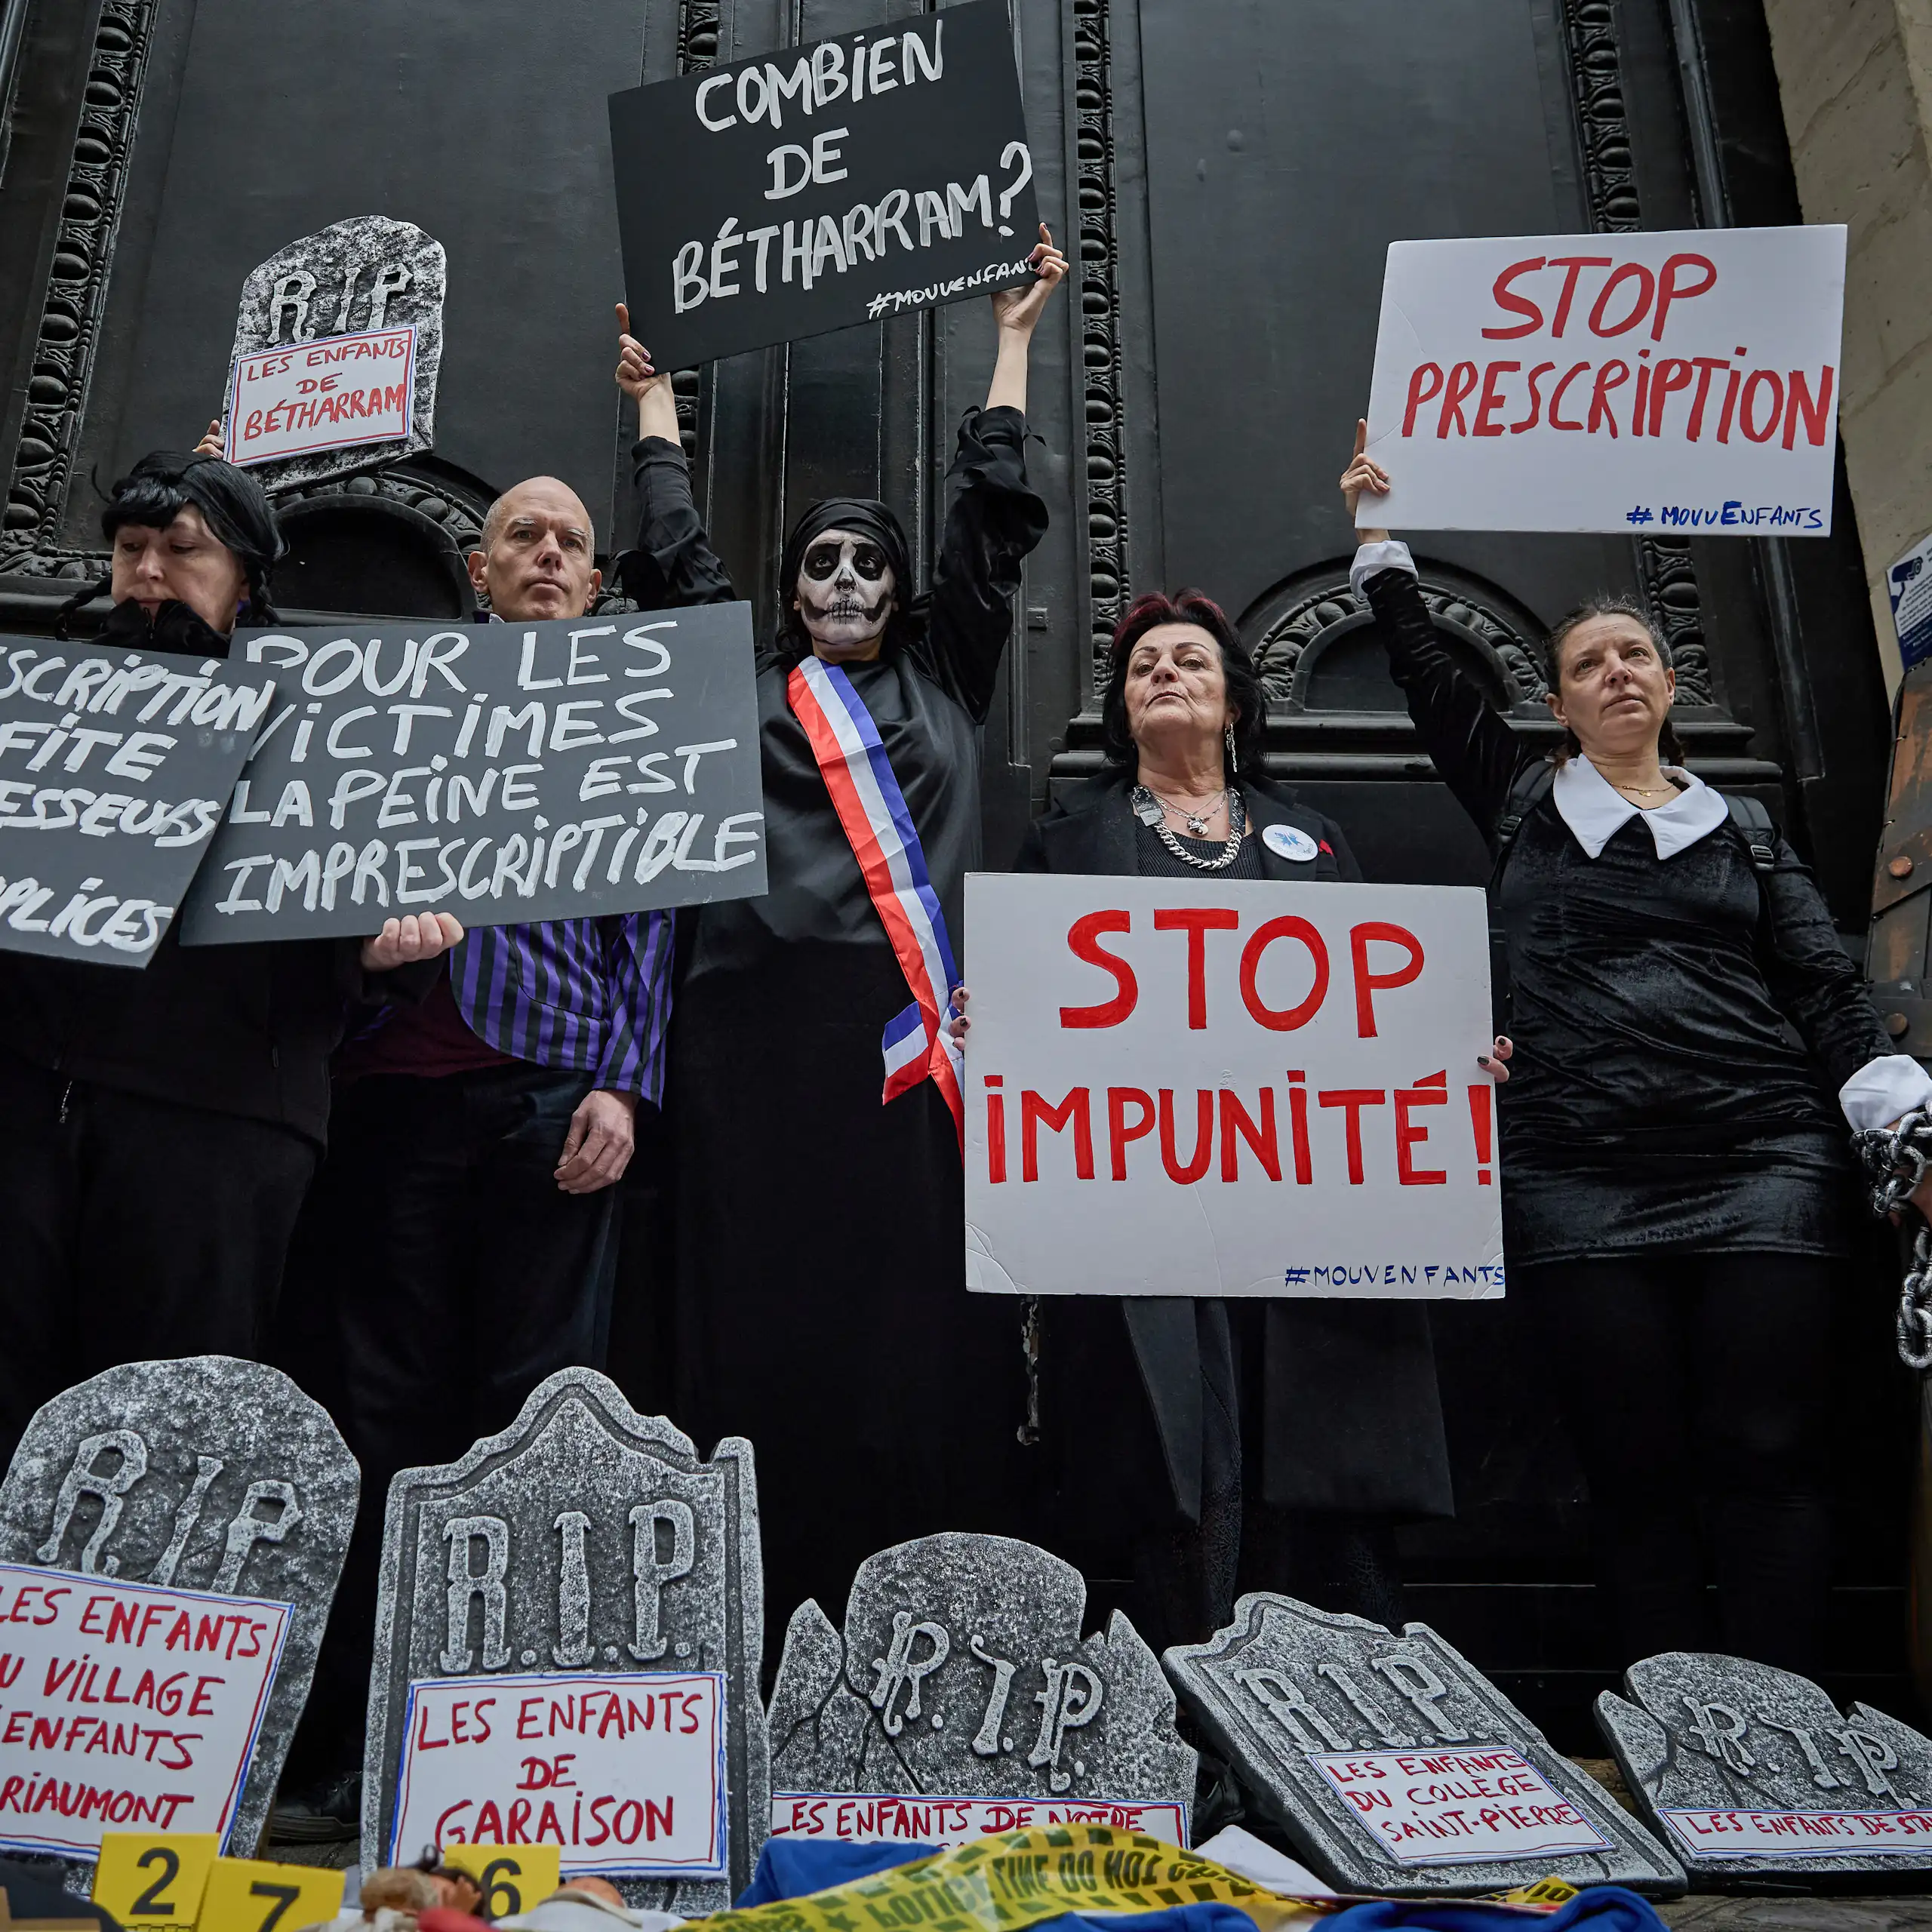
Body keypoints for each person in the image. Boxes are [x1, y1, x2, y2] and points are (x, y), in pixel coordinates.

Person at [1340, 421, 1932, 1672]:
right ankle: (1672, 1732)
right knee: (1633, 1463)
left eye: (1636, 654)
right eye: (1590, 663)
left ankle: (1774, 1731)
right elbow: (1430, 673)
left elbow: (1826, 983)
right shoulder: (1517, 799)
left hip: (1764, 1164)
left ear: (1666, 685)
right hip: (1576, 1174)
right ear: (1556, 702)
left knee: (1769, 1451)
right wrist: (1380, 539)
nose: (1618, 672)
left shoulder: (1750, 829)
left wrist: (1893, 1113)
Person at [610, 226, 1066, 1629]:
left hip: (904, 1056)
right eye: (823, 564)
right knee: (756, 1322)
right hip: (749, 1050)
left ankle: (911, 1606)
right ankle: (755, 1607)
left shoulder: (948, 680)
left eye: (871, 562)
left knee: (906, 1329)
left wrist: (1012, 336)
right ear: (794, 590)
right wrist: (651, 404)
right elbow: (681, 559)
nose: (852, 582)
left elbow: (984, 531)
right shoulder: (739, 684)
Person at [949, 589, 1487, 1650]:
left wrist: (1450, 1057)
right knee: (1179, 1461)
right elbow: (1030, 1012)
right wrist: (994, 1019)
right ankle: (1195, 1721)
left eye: (1190, 661)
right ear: (1121, 708)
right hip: (1150, 1223)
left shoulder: (1313, 840)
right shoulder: (1069, 845)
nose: (1164, 675)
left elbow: (1385, 1012)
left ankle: (1331, 1708)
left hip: (1310, 1218)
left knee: (1318, 1447)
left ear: (1234, 701)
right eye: (1145, 665)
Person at [277, 474, 675, 1834]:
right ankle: (348, 1741)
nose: (551, 556)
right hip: (389, 1097)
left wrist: (626, 1085)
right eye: (526, 539)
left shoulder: (635, 714)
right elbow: (313, 858)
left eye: (572, 543)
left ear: (595, 580)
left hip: (551, 1094)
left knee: (540, 1417)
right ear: (480, 568)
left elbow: (657, 922)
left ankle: (507, 1749)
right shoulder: (397, 710)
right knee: (375, 1413)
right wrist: (364, 951)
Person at [0, 450, 461, 1465]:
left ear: (247, 579)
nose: (150, 574)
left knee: (165, 1436)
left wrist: (391, 949)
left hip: (217, 1127)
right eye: (130, 550)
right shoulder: (36, 706)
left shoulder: (325, 731)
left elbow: (368, 914)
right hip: (32, 1103)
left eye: (182, 551)